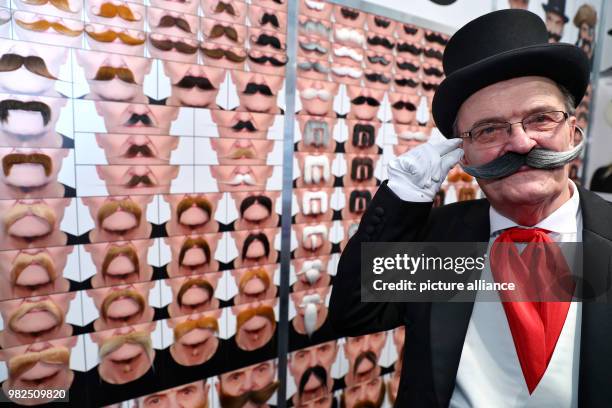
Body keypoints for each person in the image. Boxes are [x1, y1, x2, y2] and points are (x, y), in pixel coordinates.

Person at [329, 9, 612, 407]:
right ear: (463, 154)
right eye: (489, 130)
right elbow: (354, 313)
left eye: (541, 119)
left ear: (572, 129)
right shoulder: (446, 246)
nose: (520, 144)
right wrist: (402, 198)